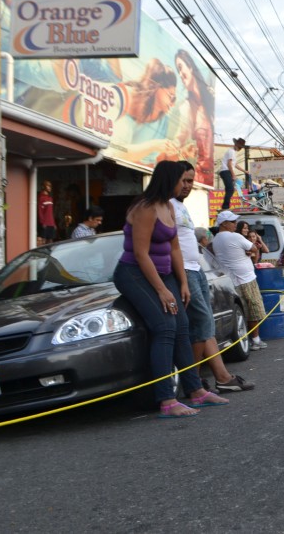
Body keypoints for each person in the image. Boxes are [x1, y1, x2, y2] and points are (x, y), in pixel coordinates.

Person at [112, 160, 229, 418]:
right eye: (182, 180)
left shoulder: (169, 207)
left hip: (165, 275)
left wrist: (182, 283)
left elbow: (175, 248)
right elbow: (141, 255)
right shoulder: (145, 208)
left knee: (183, 325)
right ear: (170, 180)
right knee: (165, 327)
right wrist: (162, 291)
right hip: (135, 274)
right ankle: (166, 399)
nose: (185, 185)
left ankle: (195, 390)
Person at [172, 162, 254, 394]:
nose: (188, 186)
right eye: (184, 181)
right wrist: (182, 278)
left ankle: (221, 377)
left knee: (205, 324)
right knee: (201, 324)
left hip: (196, 269)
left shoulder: (180, 205)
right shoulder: (165, 206)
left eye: (191, 181)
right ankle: (194, 381)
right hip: (184, 272)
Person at [211, 210, 268, 350]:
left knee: (241, 312)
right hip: (246, 279)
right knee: (254, 309)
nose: (235, 224)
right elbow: (254, 248)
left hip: (230, 281)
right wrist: (249, 252)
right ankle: (255, 340)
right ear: (224, 223)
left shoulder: (216, 239)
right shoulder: (235, 237)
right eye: (232, 222)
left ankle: (247, 340)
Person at [174, 49, 216, 180]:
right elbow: (178, 141)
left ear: (190, 67)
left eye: (181, 68)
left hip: (210, 177)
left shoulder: (210, 96)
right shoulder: (185, 107)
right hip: (200, 176)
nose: (180, 74)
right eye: (178, 70)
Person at [219, 138, 247, 210]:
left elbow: (235, 164)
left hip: (226, 171)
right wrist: (233, 175)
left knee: (229, 189)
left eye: (241, 147)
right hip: (225, 171)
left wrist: (244, 171)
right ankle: (225, 207)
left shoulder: (233, 152)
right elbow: (229, 164)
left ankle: (225, 206)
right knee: (231, 189)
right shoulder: (231, 151)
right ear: (236, 144)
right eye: (239, 147)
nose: (240, 148)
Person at [38, 180, 56, 245]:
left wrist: (54, 223)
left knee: (51, 242)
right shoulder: (41, 198)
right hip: (44, 224)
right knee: (43, 241)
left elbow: (51, 212)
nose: (49, 187)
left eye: (50, 186)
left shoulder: (50, 198)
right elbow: (40, 211)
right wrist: (42, 222)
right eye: (48, 185)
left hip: (51, 223)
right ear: (43, 186)